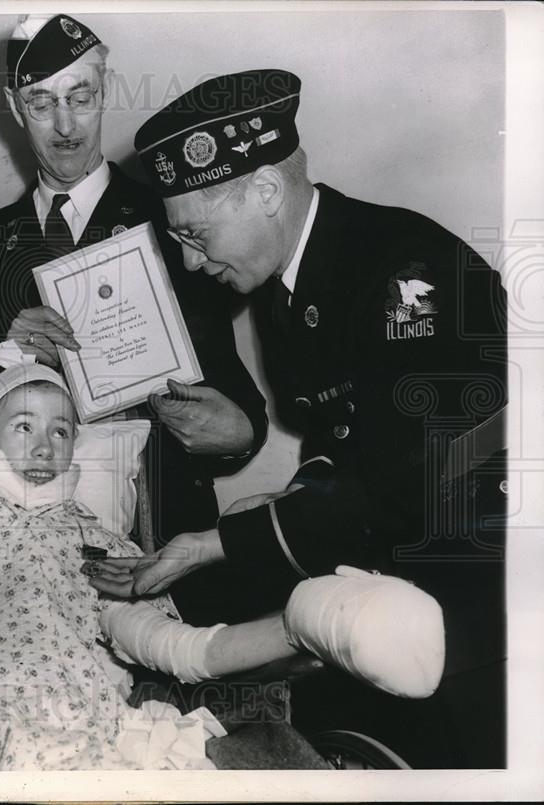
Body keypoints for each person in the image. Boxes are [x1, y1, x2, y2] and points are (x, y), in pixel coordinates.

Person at [91, 69, 507, 768]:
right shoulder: (289, 289)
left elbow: (400, 481)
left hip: (475, 573)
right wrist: (269, 509)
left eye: (196, 234)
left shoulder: (406, 271)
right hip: (385, 551)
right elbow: (335, 440)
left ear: (263, 191)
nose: (191, 262)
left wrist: (222, 539)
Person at [0, 365, 448, 771]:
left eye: (62, 431)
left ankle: (303, 621)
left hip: (86, 711)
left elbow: (153, 638)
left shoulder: (86, 531)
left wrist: (289, 631)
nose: (44, 444)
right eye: (23, 425)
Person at [0, 14, 268, 624]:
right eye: (42, 102)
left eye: (81, 97)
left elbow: (239, 412)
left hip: (159, 542)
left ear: (106, 91)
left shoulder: (174, 223)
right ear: (15, 109)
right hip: (21, 555)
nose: (65, 125)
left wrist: (237, 434)